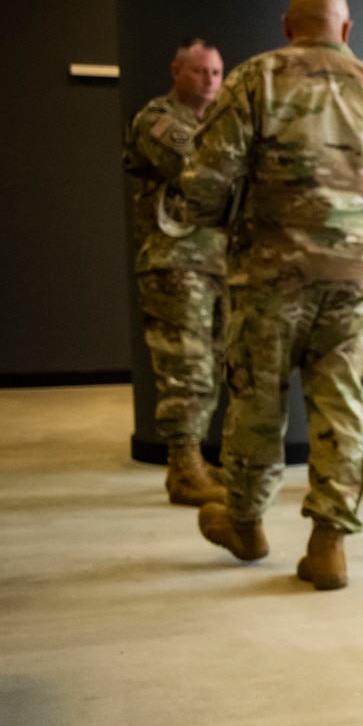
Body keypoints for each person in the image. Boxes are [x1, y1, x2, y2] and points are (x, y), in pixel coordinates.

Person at [171, 0, 363, 590]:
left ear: (288, 26)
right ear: (346, 30)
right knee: (346, 409)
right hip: (358, 282)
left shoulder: (254, 79)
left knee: (256, 402)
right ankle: (328, 545)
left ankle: (245, 522)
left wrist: (216, 224)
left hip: (270, 278)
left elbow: (205, 179)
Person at [125, 38, 229, 506]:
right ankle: (183, 466)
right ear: (176, 72)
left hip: (217, 264)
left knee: (213, 366)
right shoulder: (158, 120)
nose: (209, 80)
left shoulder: (220, 126)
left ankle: (193, 464)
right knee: (186, 366)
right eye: (199, 71)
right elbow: (202, 171)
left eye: (216, 72)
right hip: (176, 262)